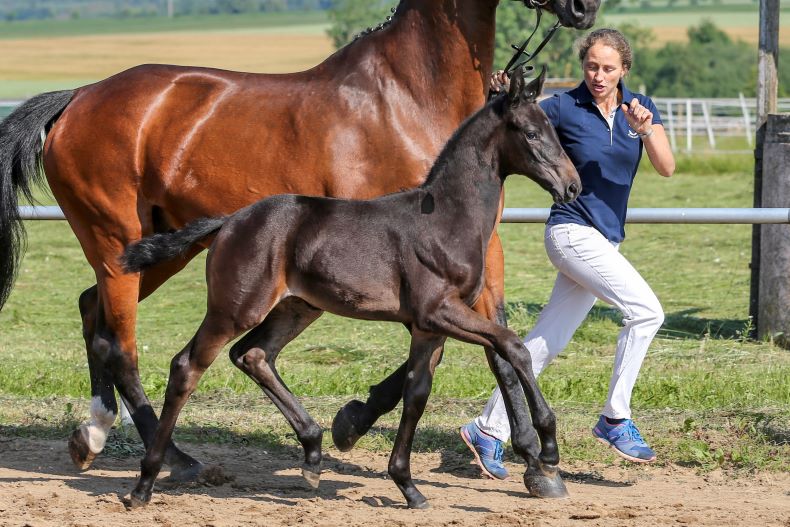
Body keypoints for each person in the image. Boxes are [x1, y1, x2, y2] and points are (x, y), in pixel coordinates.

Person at [460, 28, 676, 480]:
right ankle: (615, 418)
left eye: (608, 68)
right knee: (647, 311)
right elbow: (511, 120)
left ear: (624, 70)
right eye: (592, 66)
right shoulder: (562, 106)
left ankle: (487, 428)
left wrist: (646, 129)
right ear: (583, 66)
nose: (598, 75)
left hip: (606, 240)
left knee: (545, 342)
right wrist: (499, 92)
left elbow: (666, 167)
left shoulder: (640, 109)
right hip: (572, 234)